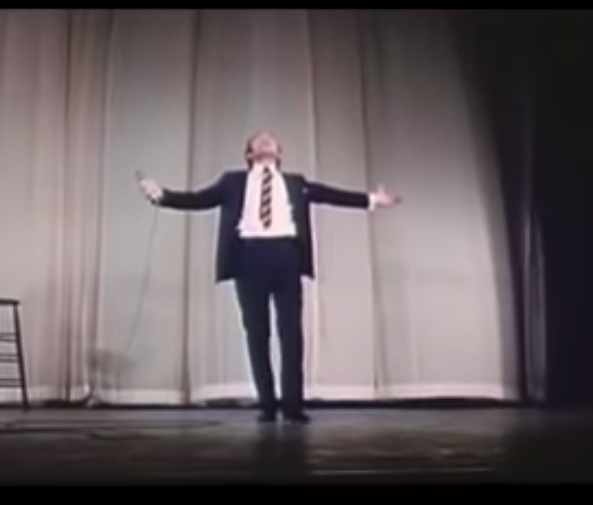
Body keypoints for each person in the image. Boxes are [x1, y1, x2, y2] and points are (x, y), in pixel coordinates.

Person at [138, 131, 401, 424]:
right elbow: (199, 200)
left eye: (271, 139)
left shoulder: (296, 183)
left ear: (279, 153)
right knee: (257, 333)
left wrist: (372, 200)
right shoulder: (232, 182)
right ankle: (267, 404)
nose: (265, 140)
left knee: (291, 335)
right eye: (259, 140)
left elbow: (331, 195)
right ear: (249, 154)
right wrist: (162, 196)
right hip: (248, 257)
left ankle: (293, 406)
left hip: (286, 256)